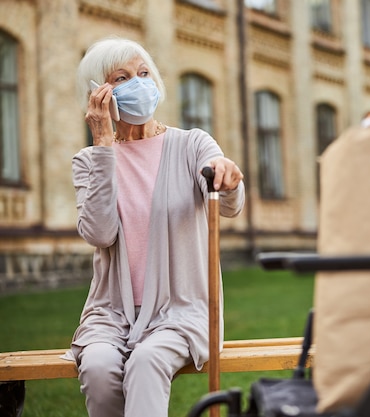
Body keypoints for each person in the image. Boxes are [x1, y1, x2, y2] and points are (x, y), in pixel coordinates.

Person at [68, 37, 245, 417]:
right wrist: (102, 145)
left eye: (144, 73)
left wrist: (228, 179)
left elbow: (229, 202)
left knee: (146, 362)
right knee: (98, 367)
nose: (139, 83)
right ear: (98, 94)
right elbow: (99, 233)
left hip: (180, 309)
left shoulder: (192, 144)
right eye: (122, 77)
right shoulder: (88, 161)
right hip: (111, 314)